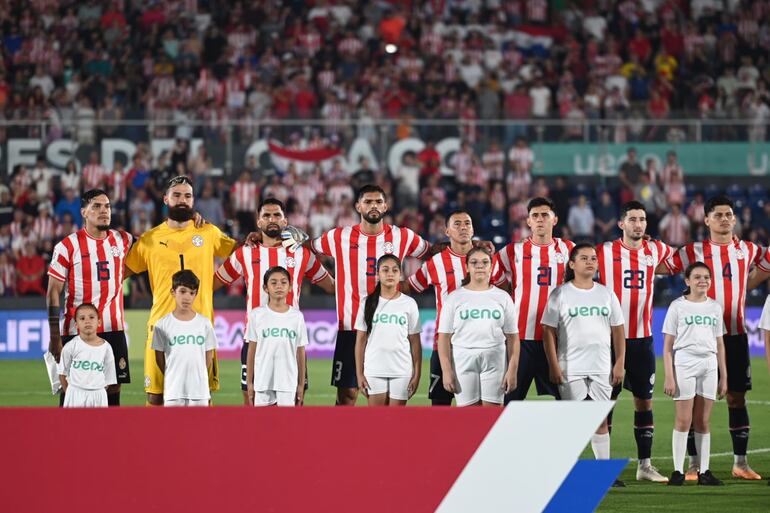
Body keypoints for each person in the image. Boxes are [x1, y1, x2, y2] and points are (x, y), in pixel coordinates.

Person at [664, 195, 770, 480]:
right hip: (697, 337)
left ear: (734, 219)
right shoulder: (692, 250)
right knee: (695, 403)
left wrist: (748, 285)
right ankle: (693, 464)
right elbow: (664, 266)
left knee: (737, 397)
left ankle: (741, 463)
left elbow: (767, 262)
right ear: (706, 219)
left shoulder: (747, 249)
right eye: (718, 215)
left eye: (728, 214)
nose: (724, 219)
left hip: (734, 334)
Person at [309, 184, 430, 405]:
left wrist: (471, 246)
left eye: (378, 202)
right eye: (368, 202)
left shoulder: (402, 236)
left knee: (385, 399)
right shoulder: (339, 236)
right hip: (351, 327)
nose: (373, 206)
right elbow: (309, 248)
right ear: (358, 206)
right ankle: (343, 440)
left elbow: (431, 252)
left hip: (388, 328)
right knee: (347, 395)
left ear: (386, 206)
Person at [125, 176, 237, 406]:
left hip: (200, 325)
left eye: (187, 195)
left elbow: (240, 255)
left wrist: (217, 281)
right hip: (161, 326)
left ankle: (202, 442)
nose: (182, 200)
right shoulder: (149, 239)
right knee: (156, 395)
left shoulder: (209, 233)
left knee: (200, 395)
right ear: (166, 199)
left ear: (193, 200)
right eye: (176, 195)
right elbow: (122, 272)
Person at [214, 198, 334, 404]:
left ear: (286, 221)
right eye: (266, 215)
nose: (272, 219)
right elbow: (212, 284)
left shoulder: (301, 254)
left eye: (277, 215)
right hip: (255, 341)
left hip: (290, 341)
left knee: (295, 403)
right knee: (251, 402)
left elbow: (331, 286)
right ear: (258, 222)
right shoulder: (245, 253)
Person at [595, 201, 674, 483]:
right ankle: (604, 470)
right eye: (632, 219)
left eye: (641, 219)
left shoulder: (656, 250)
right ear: (621, 224)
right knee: (606, 403)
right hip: (608, 340)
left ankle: (645, 466)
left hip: (642, 340)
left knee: (644, 402)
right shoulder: (603, 252)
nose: (638, 224)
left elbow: (676, 263)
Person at [541, 244, 626, 484]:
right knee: (572, 422)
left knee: (600, 419)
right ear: (572, 264)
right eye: (584, 258)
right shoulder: (561, 293)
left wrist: (619, 362)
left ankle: (603, 473)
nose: (590, 262)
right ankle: (565, 473)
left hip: (601, 366)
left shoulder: (606, 293)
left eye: (593, 258)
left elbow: (618, 331)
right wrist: (554, 365)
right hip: (570, 367)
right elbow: (548, 331)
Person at [47, 189, 132, 407]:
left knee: (113, 386)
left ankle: (111, 438)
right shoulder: (68, 246)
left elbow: (153, 242)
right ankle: (67, 438)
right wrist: (55, 335)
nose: (104, 211)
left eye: (107, 206)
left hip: (113, 326)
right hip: (76, 330)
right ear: (84, 212)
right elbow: (53, 291)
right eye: (96, 206)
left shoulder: (122, 239)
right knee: (72, 386)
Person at [406, 210, 497, 405]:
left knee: (481, 408)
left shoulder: (488, 259)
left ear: (473, 229)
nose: (463, 227)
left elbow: (503, 293)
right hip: (444, 344)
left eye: (467, 223)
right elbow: (410, 286)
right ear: (447, 231)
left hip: (481, 344)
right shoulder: (436, 263)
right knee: (440, 405)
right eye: (457, 224)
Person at [493, 197, 574, 402]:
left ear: (554, 220)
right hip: (520, 339)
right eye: (535, 216)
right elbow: (490, 269)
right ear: (528, 221)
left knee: (567, 402)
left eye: (544, 215)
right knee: (510, 401)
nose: (540, 220)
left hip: (558, 339)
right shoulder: (514, 250)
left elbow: (592, 263)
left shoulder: (569, 249)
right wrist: (508, 290)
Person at [663, 262, 727, 486]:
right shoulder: (677, 306)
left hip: (709, 364)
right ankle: (678, 472)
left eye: (707, 277)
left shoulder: (715, 308)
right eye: (698, 277)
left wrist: (723, 376)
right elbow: (667, 346)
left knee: (703, 421)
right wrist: (669, 376)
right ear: (687, 281)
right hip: (685, 363)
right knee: (683, 419)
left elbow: (720, 344)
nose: (703, 281)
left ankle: (705, 472)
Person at [437, 247, 519, 407]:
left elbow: (513, 337)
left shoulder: (503, 297)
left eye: (485, 262)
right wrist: (446, 371)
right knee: (468, 418)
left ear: (491, 266)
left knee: (492, 417)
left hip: (495, 358)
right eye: (474, 262)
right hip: (463, 358)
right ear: (467, 267)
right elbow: (444, 338)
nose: (480, 266)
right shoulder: (454, 298)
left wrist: (512, 369)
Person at [355, 255, 422, 406]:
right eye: (385, 270)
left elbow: (415, 342)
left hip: (402, 371)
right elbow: (360, 341)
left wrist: (416, 374)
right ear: (377, 274)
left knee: (396, 423)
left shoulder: (409, 304)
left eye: (395, 270)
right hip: (374, 369)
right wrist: (359, 374)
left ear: (401, 275)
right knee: (376, 423)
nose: (390, 274)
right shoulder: (367, 303)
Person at [245, 266, 308, 407]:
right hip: (262, 381)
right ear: (265, 288)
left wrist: (300, 384)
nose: (279, 286)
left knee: (286, 426)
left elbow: (301, 352)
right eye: (273, 283)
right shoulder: (256, 315)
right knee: (261, 425)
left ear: (290, 287)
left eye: (283, 282)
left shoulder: (297, 317)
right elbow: (252, 350)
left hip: (287, 382)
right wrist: (250, 383)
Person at [152, 270, 217, 407]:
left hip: (199, 392)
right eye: (182, 291)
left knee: (200, 428)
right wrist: (172, 373)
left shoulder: (204, 323)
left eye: (191, 293)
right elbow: (159, 357)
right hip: (173, 391)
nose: (187, 297)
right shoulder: (162, 324)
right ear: (173, 292)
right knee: (174, 428)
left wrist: (198, 374)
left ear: (195, 295)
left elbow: (208, 355)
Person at [57, 303, 117, 408]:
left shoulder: (106, 348)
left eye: (91, 317)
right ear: (76, 325)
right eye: (82, 318)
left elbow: (110, 378)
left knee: (98, 424)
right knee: (73, 424)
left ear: (99, 322)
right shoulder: (70, 346)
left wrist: (97, 391)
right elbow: (62, 373)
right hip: (75, 394)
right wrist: (71, 393)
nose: (87, 321)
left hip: (98, 395)